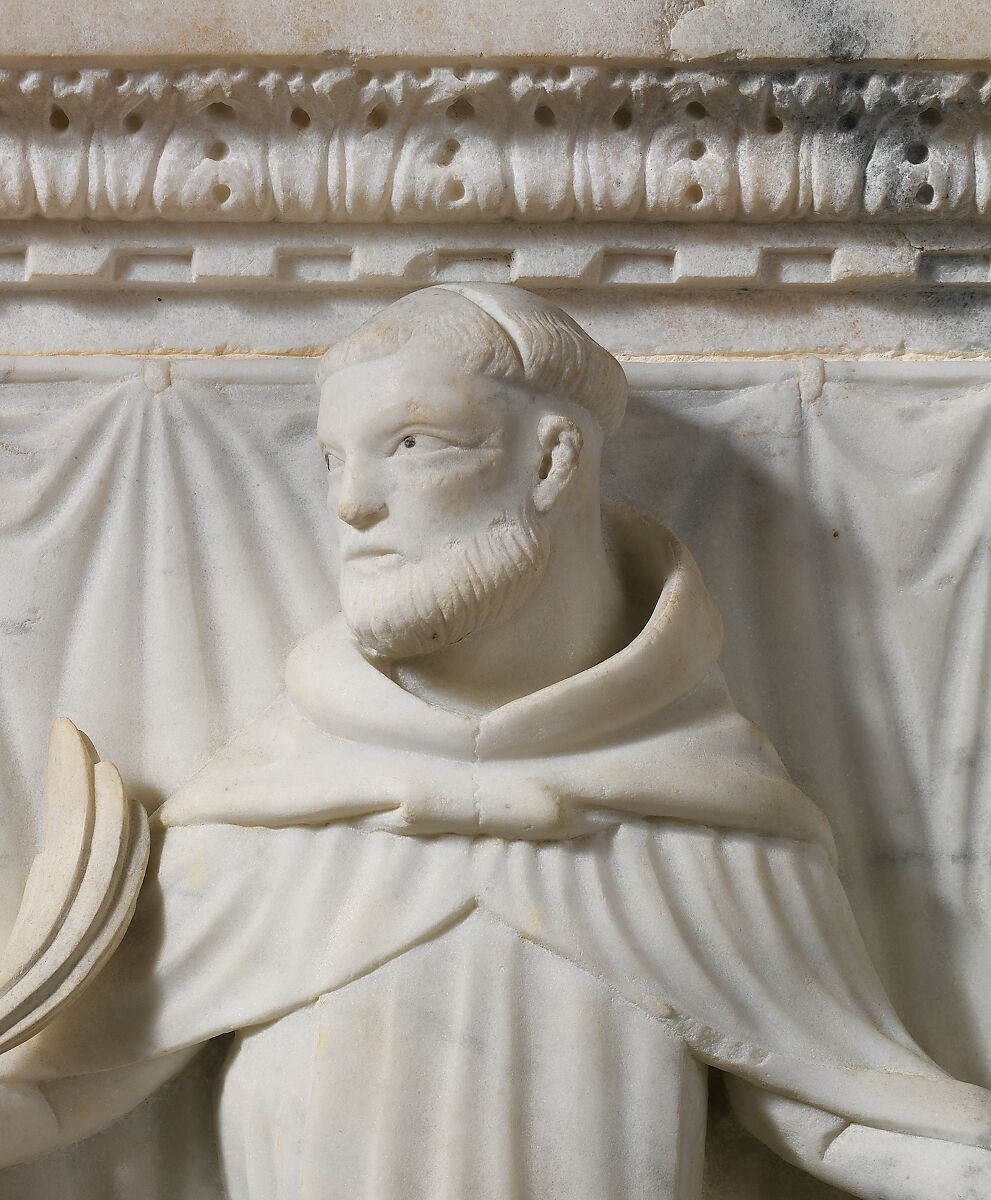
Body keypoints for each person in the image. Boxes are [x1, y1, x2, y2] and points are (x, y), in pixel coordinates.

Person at [1, 283, 990, 1200]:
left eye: (415, 445)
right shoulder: (267, 805)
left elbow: (838, 1108)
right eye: (334, 460)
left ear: (555, 459)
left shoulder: (707, 807)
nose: (351, 506)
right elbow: (64, 1091)